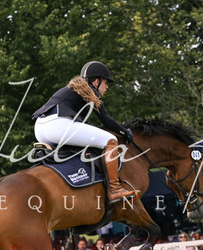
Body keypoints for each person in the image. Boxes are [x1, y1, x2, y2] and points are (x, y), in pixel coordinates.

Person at [32, 61, 135, 202]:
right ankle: (115, 189)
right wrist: (125, 132)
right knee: (110, 140)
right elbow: (106, 120)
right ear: (96, 81)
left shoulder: (73, 90)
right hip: (58, 126)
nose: (107, 87)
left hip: (40, 129)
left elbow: (84, 125)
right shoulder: (90, 90)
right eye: (106, 82)